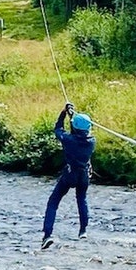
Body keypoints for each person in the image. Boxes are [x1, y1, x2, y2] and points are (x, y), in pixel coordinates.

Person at [42, 103, 94, 248]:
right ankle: (83, 231)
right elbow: (79, 133)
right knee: (81, 199)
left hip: (70, 174)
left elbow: (58, 129)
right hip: (83, 175)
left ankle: (47, 235)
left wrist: (63, 113)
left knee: (53, 202)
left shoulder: (69, 140)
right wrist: (73, 117)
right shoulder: (91, 142)